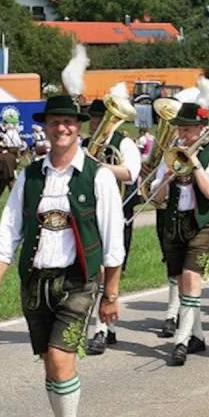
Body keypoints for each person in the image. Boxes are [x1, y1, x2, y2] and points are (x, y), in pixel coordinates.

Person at [0, 93, 125, 417]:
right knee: (50, 362)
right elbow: (9, 231)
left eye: (69, 122)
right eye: (55, 122)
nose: (62, 128)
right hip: (36, 282)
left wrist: (110, 296)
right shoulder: (31, 175)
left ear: (79, 128)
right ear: (45, 127)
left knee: (61, 359)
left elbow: (114, 245)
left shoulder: (98, 176)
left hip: (78, 281)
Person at [150, 100, 209, 365]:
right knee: (182, 283)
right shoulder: (170, 155)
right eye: (180, 130)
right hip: (174, 222)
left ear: (202, 129)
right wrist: (167, 176)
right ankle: (198, 335)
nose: (182, 135)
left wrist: (194, 164)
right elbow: (156, 197)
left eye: (188, 130)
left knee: (192, 278)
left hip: (201, 223)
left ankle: (180, 341)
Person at [83, 98, 144, 356]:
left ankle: (100, 330)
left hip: (117, 212)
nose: (95, 124)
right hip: (89, 214)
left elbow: (131, 172)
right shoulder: (84, 145)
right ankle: (104, 328)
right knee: (94, 272)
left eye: (100, 119)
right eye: (93, 119)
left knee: (109, 270)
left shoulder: (124, 143)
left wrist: (100, 167)